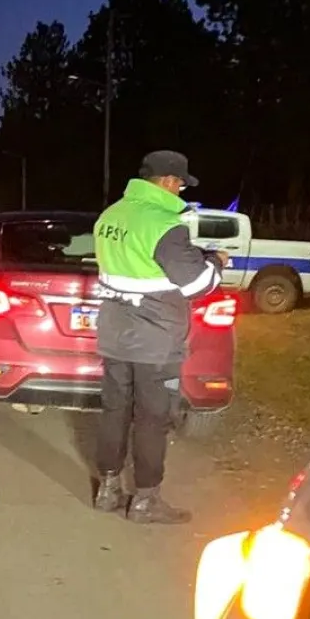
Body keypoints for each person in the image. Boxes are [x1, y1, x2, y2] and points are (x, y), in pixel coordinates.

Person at [92, 151, 227, 524]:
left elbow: (141, 263)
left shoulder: (111, 216)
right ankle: (146, 501)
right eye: (180, 183)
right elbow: (198, 284)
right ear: (167, 181)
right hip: (155, 341)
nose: (181, 190)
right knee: (153, 417)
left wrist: (191, 255)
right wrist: (216, 262)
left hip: (115, 333)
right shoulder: (164, 224)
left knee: (115, 411)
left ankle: (108, 490)